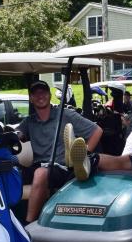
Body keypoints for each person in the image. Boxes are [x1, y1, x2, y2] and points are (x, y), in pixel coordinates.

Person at [18, 80, 101, 223]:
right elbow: (18, 133)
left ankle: (28, 225)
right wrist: (14, 135)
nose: (40, 96)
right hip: (39, 165)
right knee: (7, 173)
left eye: (43, 92)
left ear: (49, 95)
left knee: (41, 173)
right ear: (31, 99)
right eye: (35, 93)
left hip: (60, 168)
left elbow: (96, 131)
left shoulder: (65, 115)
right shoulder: (29, 121)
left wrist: (85, 155)